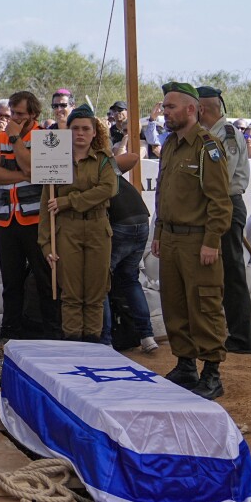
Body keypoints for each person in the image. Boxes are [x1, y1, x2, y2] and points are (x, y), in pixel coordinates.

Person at [156, 82, 232, 400]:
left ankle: (212, 373)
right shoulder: (171, 144)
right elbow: (163, 194)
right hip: (171, 239)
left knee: (204, 304)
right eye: (164, 106)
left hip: (197, 240)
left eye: (170, 106)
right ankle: (185, 365)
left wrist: (212, 240)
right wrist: (159, 233)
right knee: (174, 305)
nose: (164, 111)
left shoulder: (207, 147)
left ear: (191, 109)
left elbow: (219, 201)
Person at [40, 105, 118, 341]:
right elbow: (46, 205)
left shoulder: (104, 160)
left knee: (95, 292)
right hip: (67, 230)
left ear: (95, 132)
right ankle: (73, 345)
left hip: (97, 228)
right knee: (71, 293)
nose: (80, 134)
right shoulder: (54, 160)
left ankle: (93, 345)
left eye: (86, 129)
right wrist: (46, 244)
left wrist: (69, 201)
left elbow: (108, 189)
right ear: (67, 131)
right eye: (75, 129)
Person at [0, 90, 58, 342]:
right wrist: (26, 174)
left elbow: (33, 167)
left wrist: (17, 141)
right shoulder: (0, 137)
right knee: (11, 282)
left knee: (45, 279)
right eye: (11, 113)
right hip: (6, 219)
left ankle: (52, 334)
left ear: (33, 115)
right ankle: (9, 333)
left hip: (37, 220)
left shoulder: (47, 138)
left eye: (19, 114)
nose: (13, 118)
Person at [197, 86, 251, 354]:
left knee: (232, 272)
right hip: (218, 206)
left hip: (226, 205)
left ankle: (241, 338)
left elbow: (221, 177)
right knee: (217, 271)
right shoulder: (210, 134)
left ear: (201, 109)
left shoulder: (226, 135)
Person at [102, 148, 158, 353]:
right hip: (141, 219)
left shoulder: (96, 167)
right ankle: (147, 335)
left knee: (101, 282)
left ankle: (106, 341)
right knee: (129, 279)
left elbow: (133, 156)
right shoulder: (105, 168)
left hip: (121, 223)